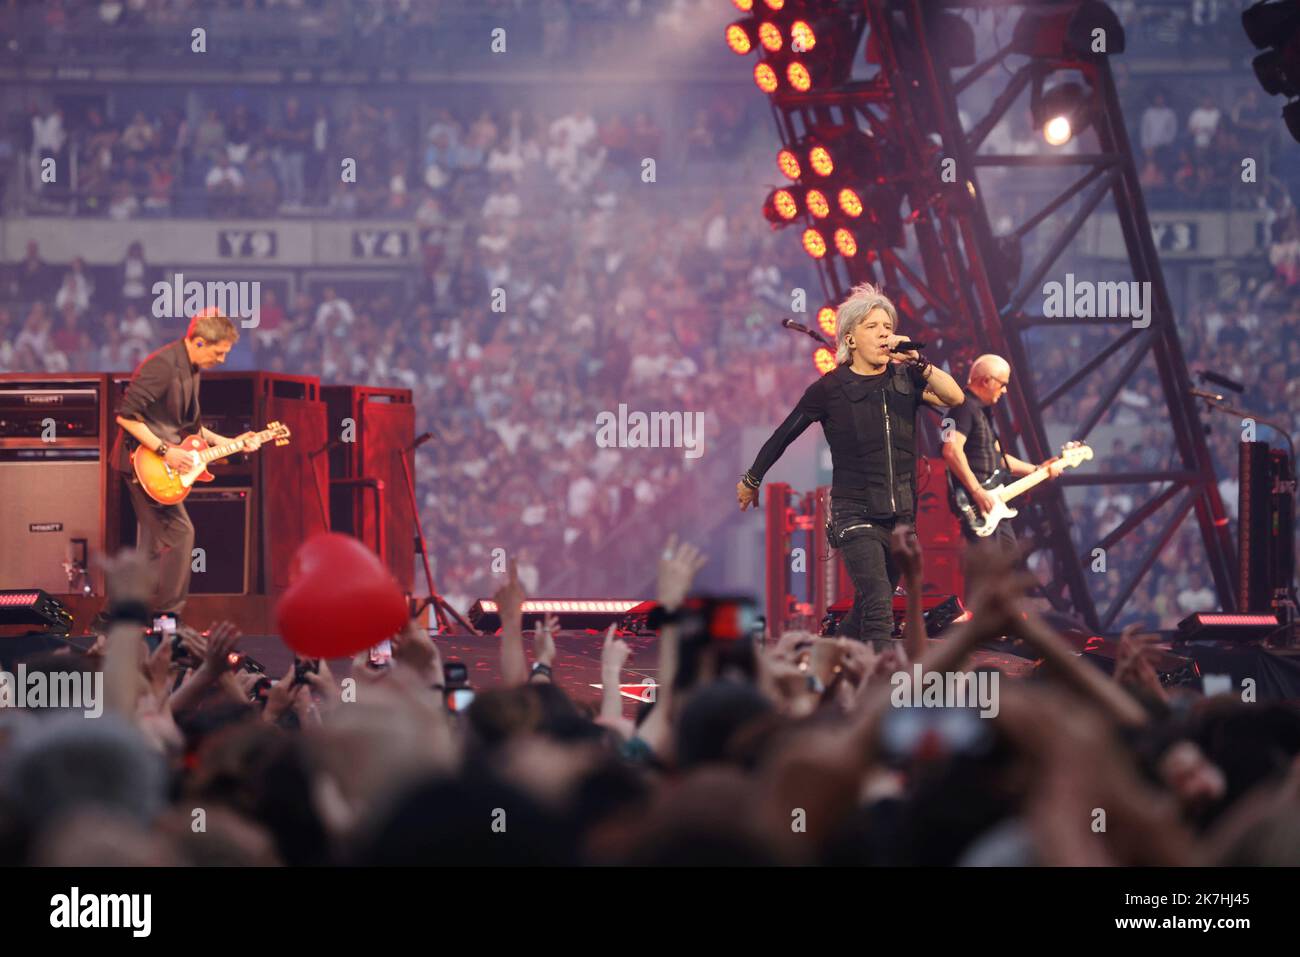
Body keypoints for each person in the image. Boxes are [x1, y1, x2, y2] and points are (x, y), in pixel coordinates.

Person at [736, 283, 963, 642]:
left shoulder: (906, 378)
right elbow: (783, 434)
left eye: (887, 326)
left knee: (871, 605)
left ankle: (829, 661)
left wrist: (918, 361)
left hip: (901, 514)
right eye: (873, 326)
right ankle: (882, 692)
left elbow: (955, 395)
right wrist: (751, 479)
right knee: (878, 606)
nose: (884, 333)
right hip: (854, 511)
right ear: (850, 338)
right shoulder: (830, 389)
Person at [107, 310, 263, 615]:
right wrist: (166, 451)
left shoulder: (191, 368)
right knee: (181, 533)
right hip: (141, 463)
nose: (222, 360)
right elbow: (125, 416)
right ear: (200, 342)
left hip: (156, 460)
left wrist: (232, 443)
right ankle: (169, 618)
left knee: (152, 548)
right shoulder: (162, 366)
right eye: (219, 353)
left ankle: (113, 616)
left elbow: (191, 428)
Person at [942, 354, 1064, 555]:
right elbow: (951, 450)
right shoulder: (963, 408)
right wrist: (977, 491)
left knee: (1008, 566)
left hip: (992, 504)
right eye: (1002, 384)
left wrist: (1038, 470)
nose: (1005, 390)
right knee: (993, 572)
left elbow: (999, 459)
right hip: (979, 504)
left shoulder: (981, 412)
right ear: (987, 380)